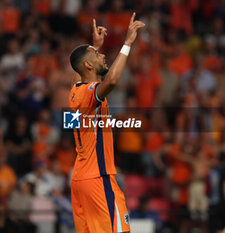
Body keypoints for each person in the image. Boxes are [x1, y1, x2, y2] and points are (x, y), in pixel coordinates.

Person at [68, 14, 144, 233]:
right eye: (97, 54)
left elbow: (79, 73)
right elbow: (112, 80)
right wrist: (127, 43)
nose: (102, 55)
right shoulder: (90, 94)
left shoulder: (75, 91)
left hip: (80, 179)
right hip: (98, 178)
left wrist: (93, 45)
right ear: (89, 64)